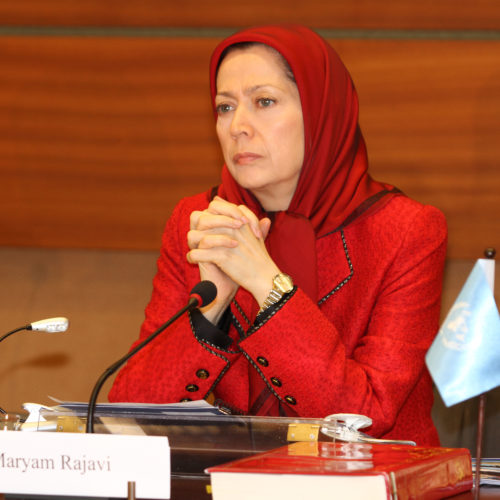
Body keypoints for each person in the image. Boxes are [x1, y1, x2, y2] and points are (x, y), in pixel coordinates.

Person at [109, 25, 447, 446]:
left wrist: (269, 287)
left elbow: (366, 417)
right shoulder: (199, 220)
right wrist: (211, 309)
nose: (238, 127)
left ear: (324, 112)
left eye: (264, 102)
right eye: (225, 107)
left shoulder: (405, 230)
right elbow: (130, 410)